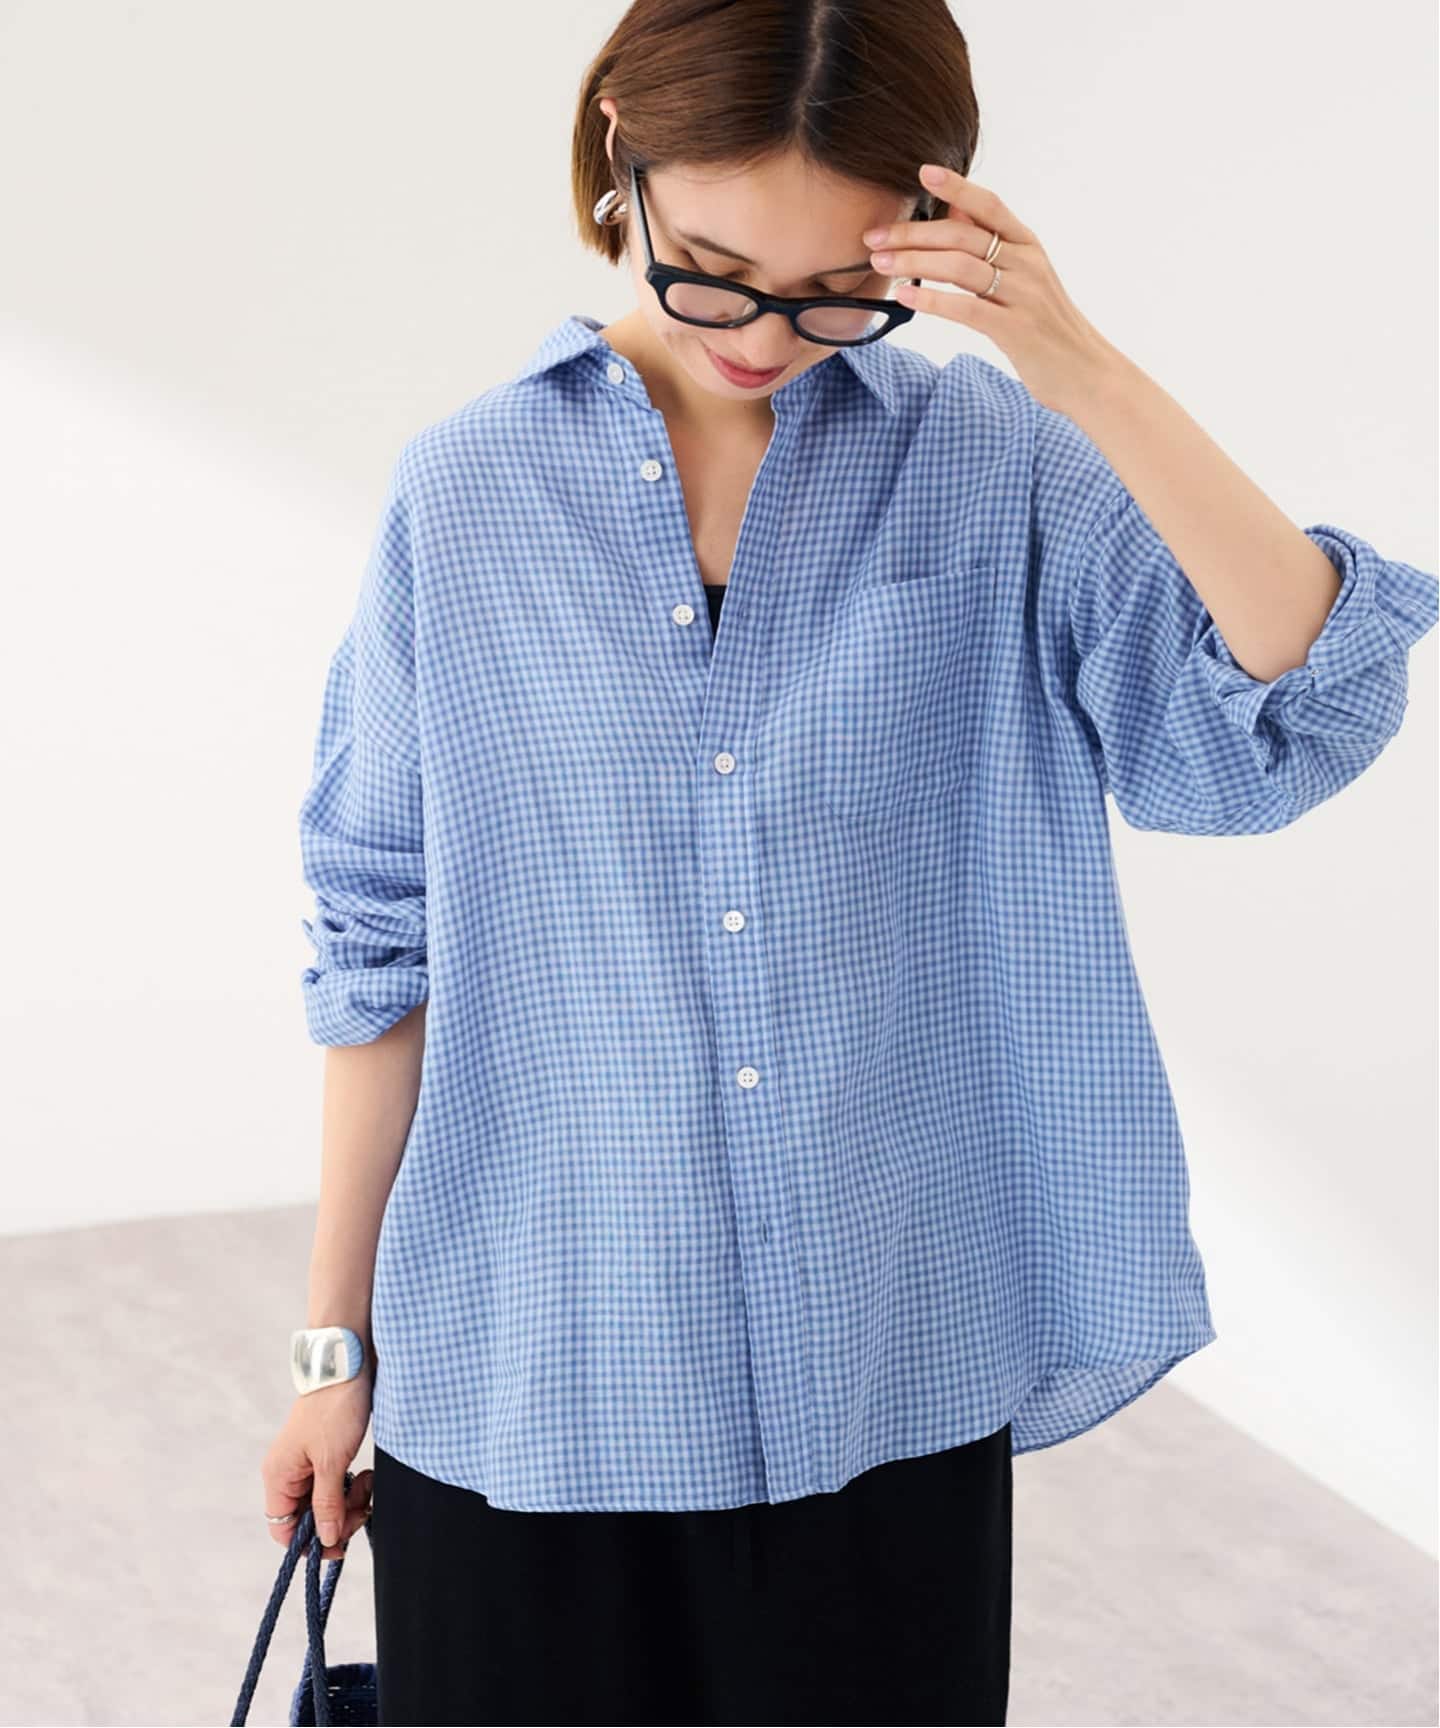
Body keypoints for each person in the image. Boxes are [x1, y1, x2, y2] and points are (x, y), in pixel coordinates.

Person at [260, 2, 1440, 1724]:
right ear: (623, 158)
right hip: (532, 1374)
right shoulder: (467, 494)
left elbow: (1293, 716)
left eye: (837, 292)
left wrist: (1080, 367)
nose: (766, 336)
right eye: (715, 271)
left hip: (887, 1367)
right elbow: (379, 945)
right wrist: (329, 1356)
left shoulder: (991, 464)